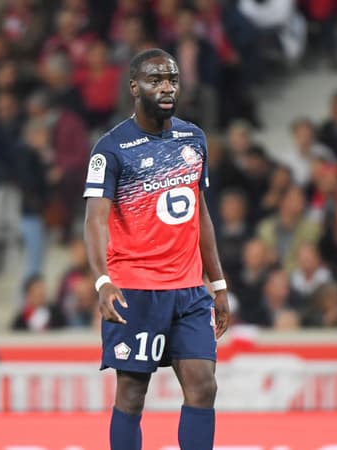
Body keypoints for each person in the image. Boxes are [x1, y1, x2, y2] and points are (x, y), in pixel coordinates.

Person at [83, 48, 230, 450]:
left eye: (172, 80)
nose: (167, 88)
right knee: (132, 394)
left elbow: (200, 214)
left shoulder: (193, 138)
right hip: (136, 289)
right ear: (134, 87)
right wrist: (102, 281)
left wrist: (217, 283)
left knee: (203, 385)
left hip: (189, 290)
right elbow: (95, 220)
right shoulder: (111, 148)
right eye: (155, 80)